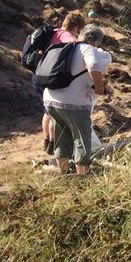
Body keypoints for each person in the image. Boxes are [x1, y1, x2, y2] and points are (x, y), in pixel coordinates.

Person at [42, 23, 111, 176]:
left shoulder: (64, 46)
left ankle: (64, 174)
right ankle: (81, 178)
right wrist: (99, 88)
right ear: (96, 41)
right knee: (82, 139)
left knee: (61, 137)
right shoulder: (87, 49)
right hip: (74, 102)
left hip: (50, 98)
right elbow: (93, 64)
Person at [41, 10, 86, 154]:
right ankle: (54, 143)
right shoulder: (70, 39)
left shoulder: (53, 33)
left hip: (42, 73)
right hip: (57, 77)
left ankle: (46, 140)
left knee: (47, 111)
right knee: (56, 115)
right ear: (76, 27)